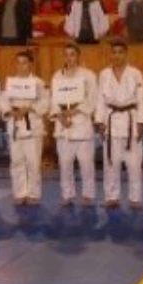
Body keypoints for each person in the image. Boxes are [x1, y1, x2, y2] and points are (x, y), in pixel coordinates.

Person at [96, 40, 143, 209]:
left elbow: (141, 100)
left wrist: (141, 122)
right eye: (114, 52)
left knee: (134, 163)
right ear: (110, 54)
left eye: (120, 52)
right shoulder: (104, 74)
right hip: (111, 120)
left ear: (126, 54)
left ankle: (135, 198)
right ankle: (112, 196)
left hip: (130, 120)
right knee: (111, 162)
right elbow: (99, 100)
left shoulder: (135, 73)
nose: (117, 55)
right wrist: (100, 121)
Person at [50, 43, 97, 207]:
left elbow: (92, 99)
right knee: (64, 163)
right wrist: (60, 116)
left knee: (86, 164)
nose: (69, 58)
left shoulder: (88, 75)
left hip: (82, 124)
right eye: (66, 54)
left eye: (72, 54)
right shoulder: (58, 75)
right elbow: (53, 99)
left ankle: (88, 195)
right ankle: (67, 194)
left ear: (78, 56)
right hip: (63, 125)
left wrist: (75, 111)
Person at [0, 49, 48, 206]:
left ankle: (34, 193)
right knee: (16, 161)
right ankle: (20, 192)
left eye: (24, 63)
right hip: (16, 125)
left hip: (33, 125)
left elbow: (45, 103)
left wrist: (29, 108)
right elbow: (4, 102)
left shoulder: (39, 83)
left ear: (30, 65)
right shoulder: (10, 83)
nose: (21, 66)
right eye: (19, 63)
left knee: (33, 162)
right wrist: (12, 111)